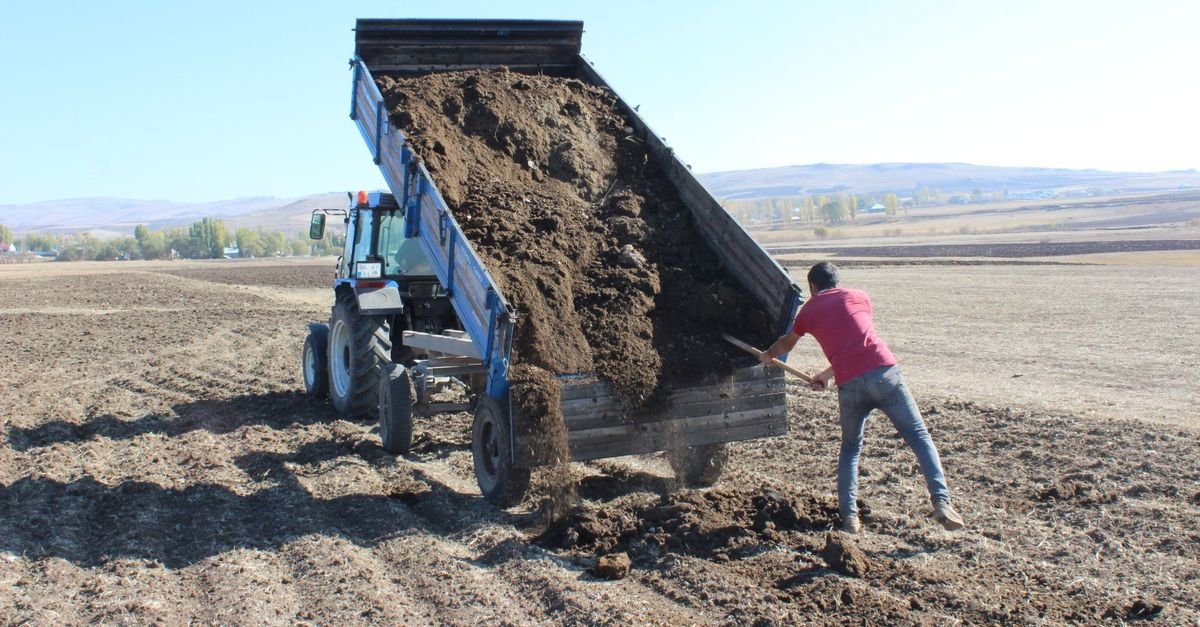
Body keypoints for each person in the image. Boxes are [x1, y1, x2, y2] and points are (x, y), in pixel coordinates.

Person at [758, 261, 964, 534]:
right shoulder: (860, 296)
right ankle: (941, 502)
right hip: (884, 374)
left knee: (851, 449)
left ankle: (850, 519)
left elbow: (787, 343)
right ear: (837, 282)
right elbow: (858, 342)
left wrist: (768, 354)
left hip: (851, 385)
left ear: (813, 286)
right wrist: (827, 374)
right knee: (919, 436)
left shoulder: (808, 311)